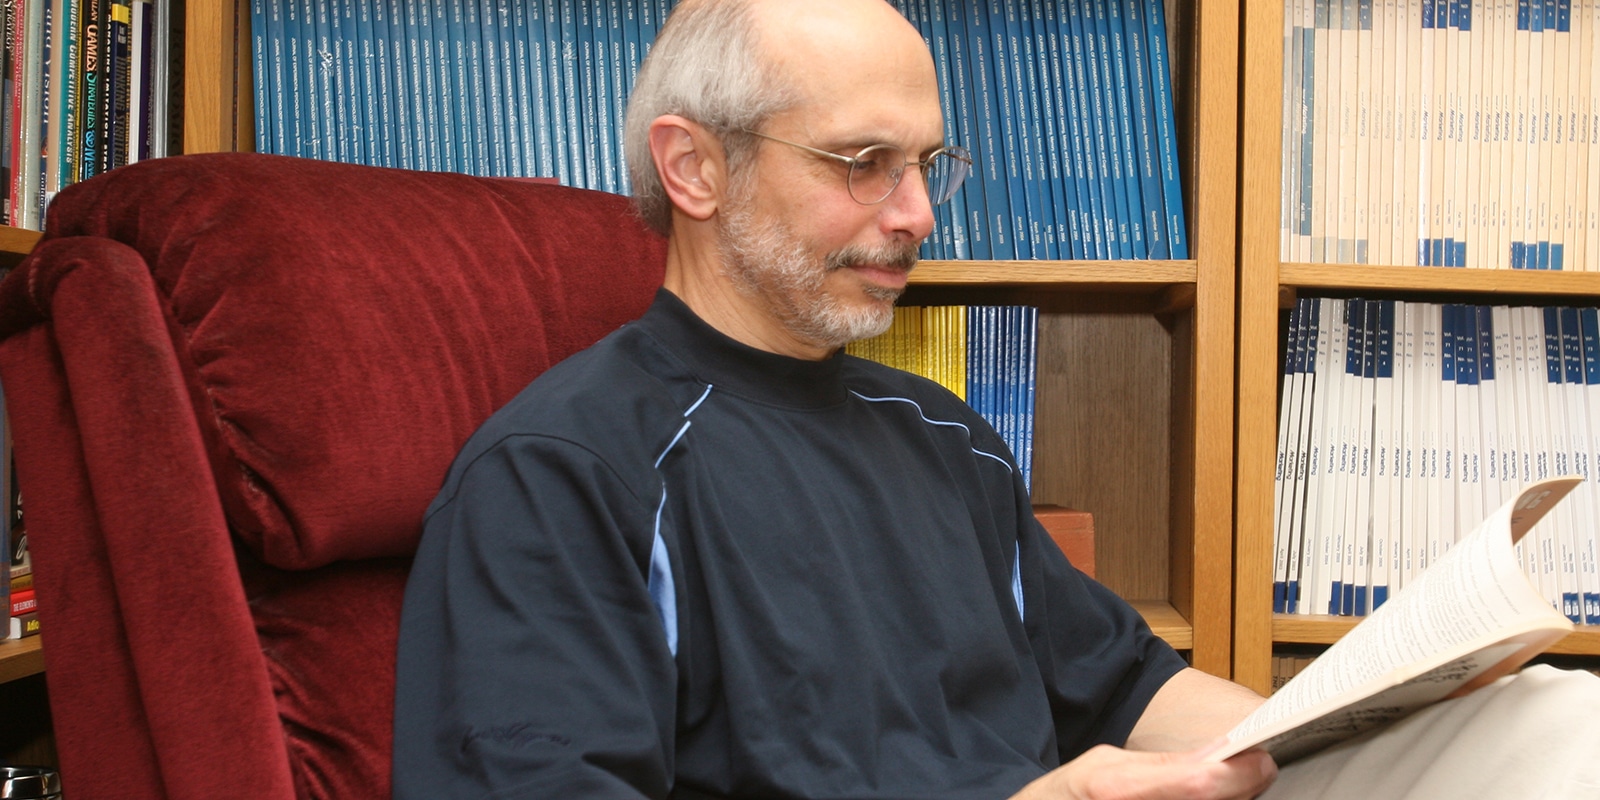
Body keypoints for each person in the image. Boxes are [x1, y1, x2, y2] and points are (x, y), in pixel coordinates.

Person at [392, 0, 1600, 798]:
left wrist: (1353, 708)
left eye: (926, 164)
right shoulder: (559, 474)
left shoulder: (943, 438)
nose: (918, 213)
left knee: (1556, 722)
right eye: (863, 163)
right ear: (694, 167)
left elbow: (1129, 686)